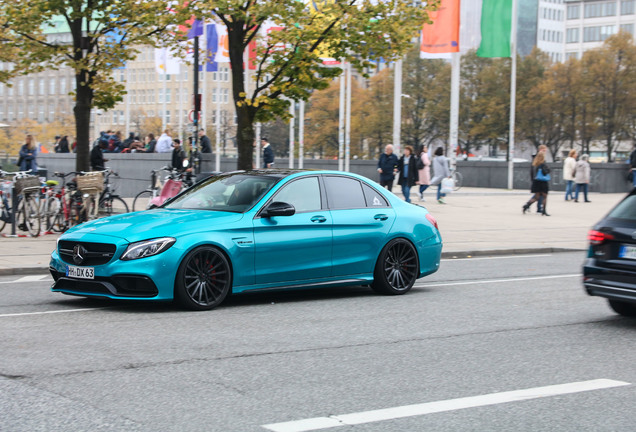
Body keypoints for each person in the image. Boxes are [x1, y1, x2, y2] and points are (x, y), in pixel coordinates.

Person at [522, 151, 551, 216]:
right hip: (543, 182)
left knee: (536, 197)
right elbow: (546, 171)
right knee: (544, 197)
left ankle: (526, 205)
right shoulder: (543, 164)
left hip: (536, 182)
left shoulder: (534, 164)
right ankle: (544, 211)